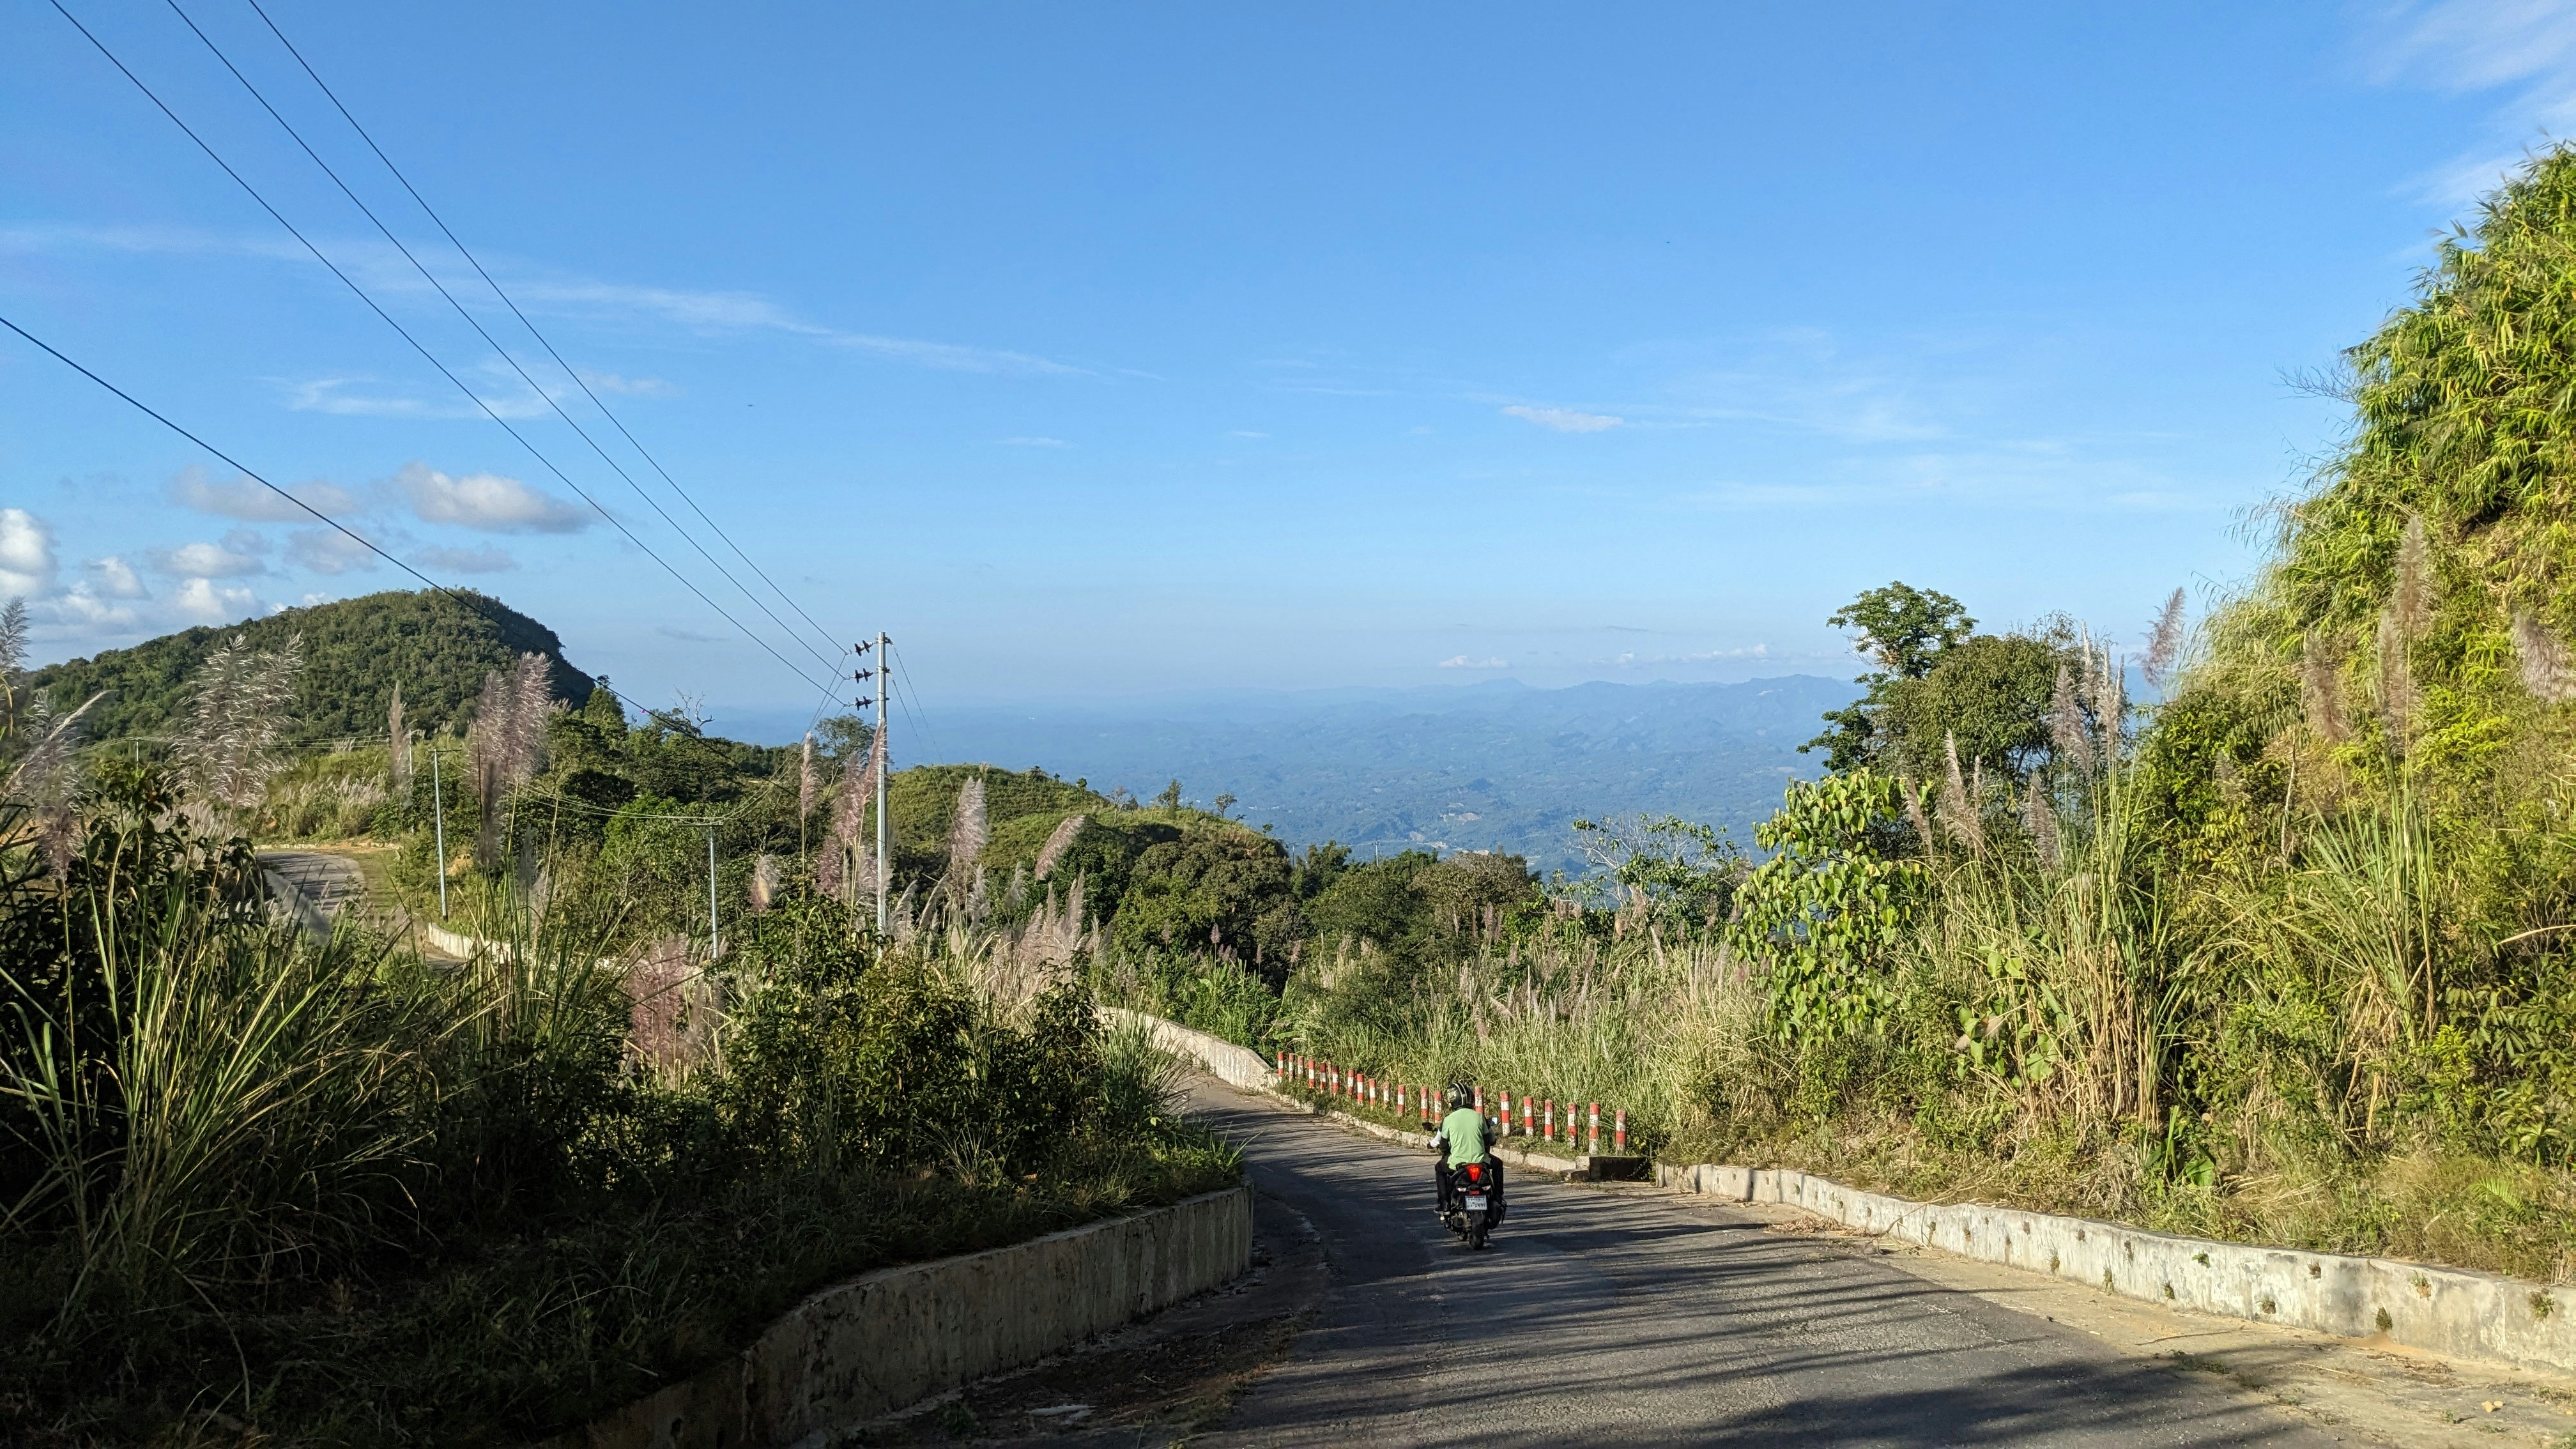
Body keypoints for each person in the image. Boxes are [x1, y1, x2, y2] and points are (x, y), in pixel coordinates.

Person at [1430, 1082, 1501, 1222]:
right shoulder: (1479, 1116)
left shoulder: (1449, 1119)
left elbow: (1444, 1145)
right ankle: (1498, 1198)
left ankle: (1444, 1204)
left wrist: (1446, 1151)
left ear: (1452, 1101)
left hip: (1457, 1162)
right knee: (1498, 1164)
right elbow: (1490, 1139)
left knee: (1439, 1168)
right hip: (1481, 1161)